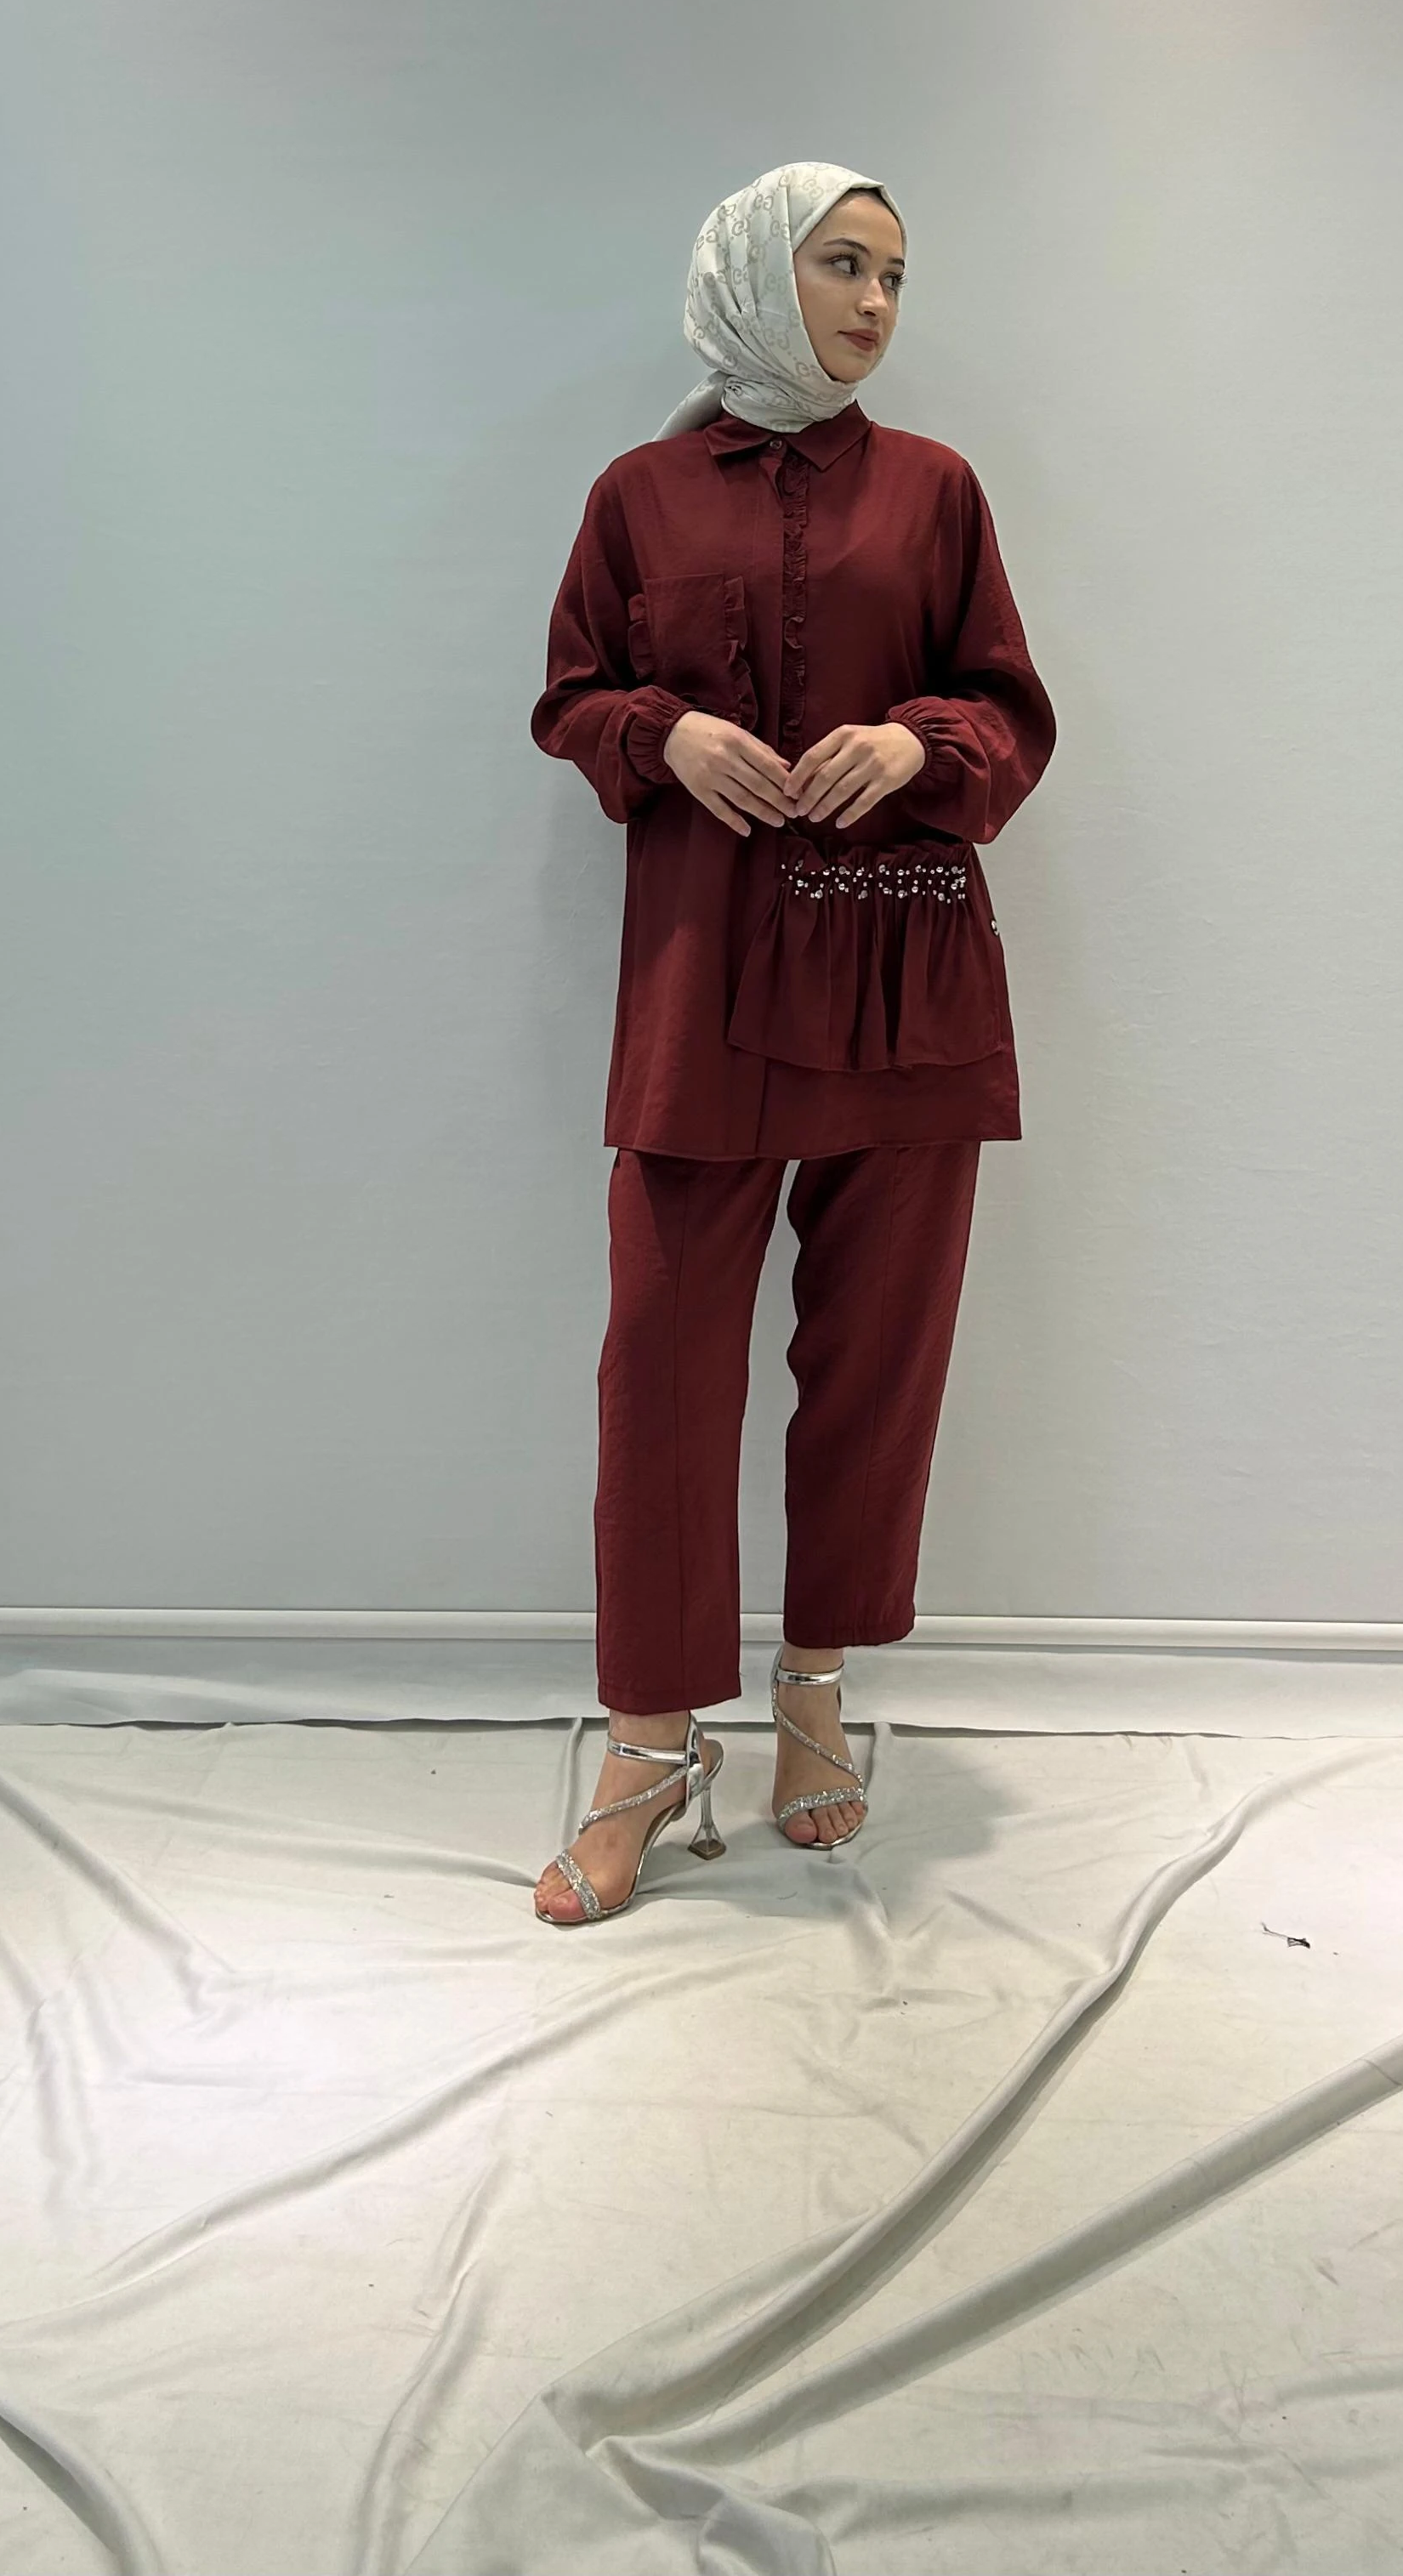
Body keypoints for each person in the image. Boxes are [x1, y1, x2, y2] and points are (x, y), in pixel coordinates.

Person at [527, 161, 1057, 1925]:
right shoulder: (638, 495)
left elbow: (1010, 705)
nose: (875, 302)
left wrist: (917, 744)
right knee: (662, 1366)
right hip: (703, 988)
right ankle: (649, 1741)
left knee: (877, 1359)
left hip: (899, 977)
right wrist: (662, 734)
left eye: (896, 274)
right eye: (843, 264)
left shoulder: (936, 489)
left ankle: (816, 1692)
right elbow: (569, 694)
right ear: (758, 271)